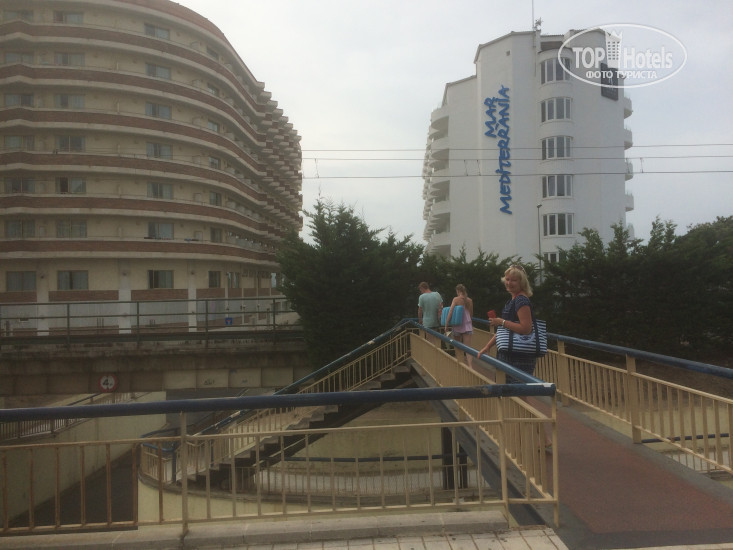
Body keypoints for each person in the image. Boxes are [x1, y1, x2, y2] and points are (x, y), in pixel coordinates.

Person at [478, 265, 536, 382]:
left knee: (514, 389)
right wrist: (488, 346)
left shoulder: (521, 300)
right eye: (507, 279)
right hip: (510, 353)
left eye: (514, 280)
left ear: (522, 282)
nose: (509, 283)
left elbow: (526, 328)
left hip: (517, 356)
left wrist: (501, 322)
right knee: (507, 388)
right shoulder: (513, 300)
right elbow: (505, 331)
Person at [444, 284, 474, 367]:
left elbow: (450, 312)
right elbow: (471, 314)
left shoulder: (456, 299)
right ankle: (470, 366)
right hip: (467, 325)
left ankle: (460, 364)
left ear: (458, 291)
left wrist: (446, 324)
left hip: (457, 325)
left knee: (458, 346)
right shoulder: (469, 300)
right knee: (468, 348)